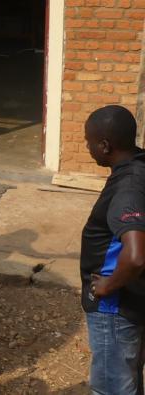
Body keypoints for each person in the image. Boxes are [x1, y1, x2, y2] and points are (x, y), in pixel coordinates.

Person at [80, 105, 145, 394]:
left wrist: (107, 285)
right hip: (135, 300)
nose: (86, 146)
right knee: (129, 380)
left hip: (114, 308)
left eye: (88, 141)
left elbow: (135, 256)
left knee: (112, 388)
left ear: (104, 145)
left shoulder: (127, 189)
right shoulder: (139, 167)